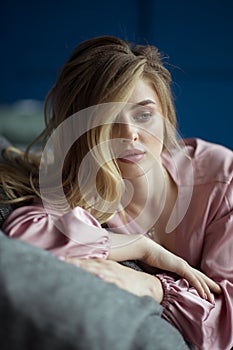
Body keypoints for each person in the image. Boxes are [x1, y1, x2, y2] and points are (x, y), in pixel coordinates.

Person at [0, 35, 232, 349]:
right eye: (108, 120)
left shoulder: (223, 178)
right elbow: (27, 237)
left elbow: (226, 323)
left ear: (165, 114)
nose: (129, 136)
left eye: (144, 115)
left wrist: (154, 286)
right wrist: (142, 247)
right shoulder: (83, 179)